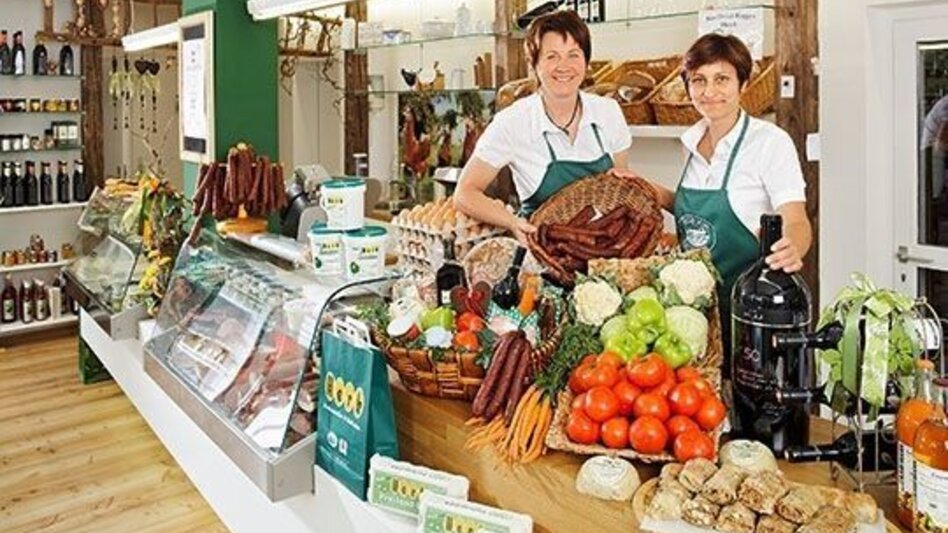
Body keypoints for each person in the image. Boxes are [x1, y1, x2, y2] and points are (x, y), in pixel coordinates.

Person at [614, 33, 812, 374]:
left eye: (722, 79)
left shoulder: (769, 143)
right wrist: (648, 189)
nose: (710, 92)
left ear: (743, 83)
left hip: (751, 310)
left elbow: (795, 218)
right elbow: (692, 214)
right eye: (699, 81)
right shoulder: (692, 142)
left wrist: (794, 247)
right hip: (696, 311)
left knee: (753, 404)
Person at [454, 10, 631, 245]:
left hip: (605, 249)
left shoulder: (609, 112)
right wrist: (511, 222)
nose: (564, 66)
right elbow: (465, 193)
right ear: (533, 64)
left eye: (573, 55)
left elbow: (618, 190)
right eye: (552, 56)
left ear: (586, 61)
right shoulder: (513, 122)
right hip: (544, 253)